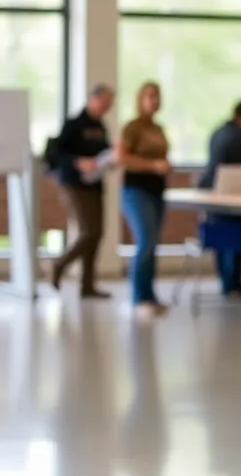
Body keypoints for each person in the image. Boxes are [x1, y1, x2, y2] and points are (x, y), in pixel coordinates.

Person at [49, 83, 115, 298]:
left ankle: (87, 285)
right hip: (74, 183)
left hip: (95, 183)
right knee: (89, 231)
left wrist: (110, 159)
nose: (107, 107)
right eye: (104, 102)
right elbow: (56, 152)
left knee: (97, 233)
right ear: (93, 99)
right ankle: (60, 264)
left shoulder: (101, 126)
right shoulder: (74, 124)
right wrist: (77, 161)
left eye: (110, 104)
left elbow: (104, 152)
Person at [117, 82, 171, 322]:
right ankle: (139, 298)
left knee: (153, 244)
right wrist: (152, 165)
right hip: (136, 190)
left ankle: (150, 296)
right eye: (149, 96)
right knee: (145, 240)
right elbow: (122, 158)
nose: (153, 100)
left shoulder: (158, 128)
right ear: (140, 99)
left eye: (156, 96)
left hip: (157, 191)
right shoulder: (133, 128)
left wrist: (165, 166)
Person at [198, 101, 241, 299]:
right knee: (236, 240)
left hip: (213, 197)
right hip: (236, 198)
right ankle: (234, 284)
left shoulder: (218, 133)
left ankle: (227, 283)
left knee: (221, 240)